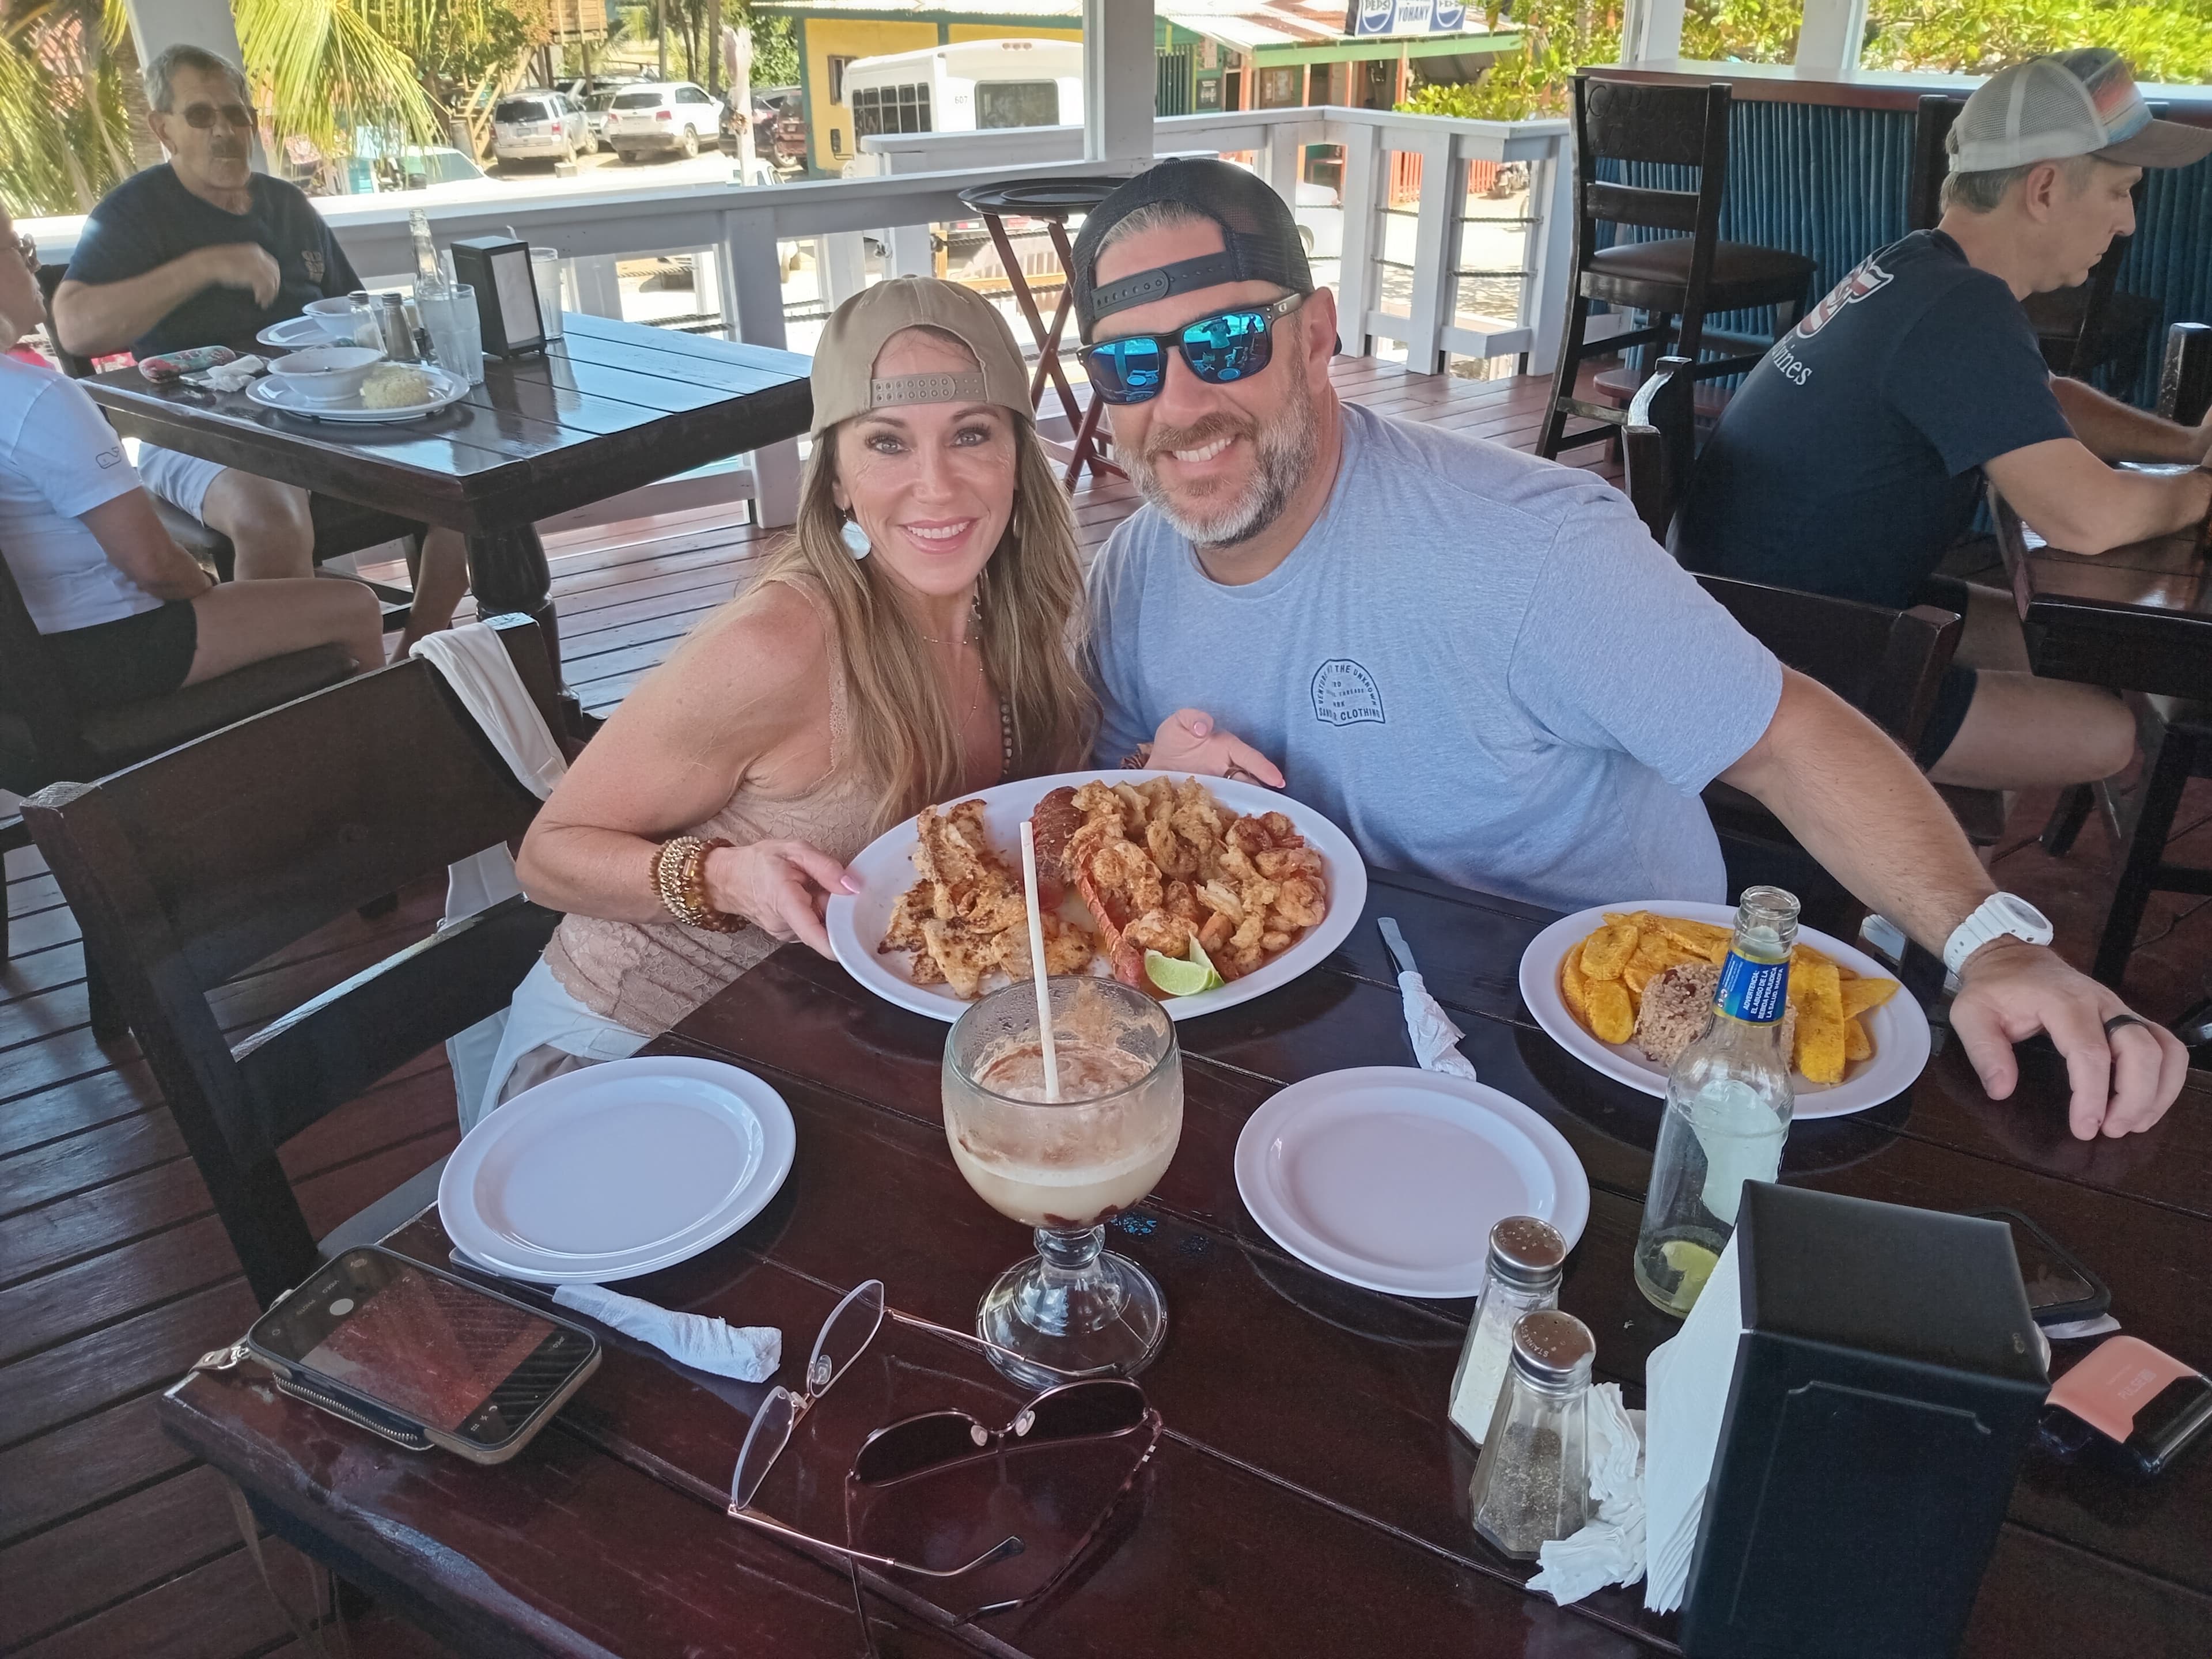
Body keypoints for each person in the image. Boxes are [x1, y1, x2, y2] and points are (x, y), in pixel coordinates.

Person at [1067, 157, 2187, 1138]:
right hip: (1304, 1033)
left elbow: (1789, 737)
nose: (1179, 402)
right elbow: (1108, 818)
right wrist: (1145, 783)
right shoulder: (1130, 579)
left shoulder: (1528, 547)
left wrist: (1993, 943)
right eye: (1129, 368)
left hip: (1600, 1057)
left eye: (1220, 342)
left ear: (1315, 336)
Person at [487, 278, 1096, 1124]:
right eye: (888, 443)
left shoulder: (1023, 619)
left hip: (822, 1047)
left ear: (1018, 459)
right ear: (839, 480)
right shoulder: (782, 642)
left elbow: (1033, 836)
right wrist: (726, 877)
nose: (936, 485)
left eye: (971, 434)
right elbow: (547, 857)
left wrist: (1154, 776)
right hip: (625, 1055)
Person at [1674, 51, 2212, 793]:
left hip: (1757, 613)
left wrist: (2186, 445)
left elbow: (2040, 394)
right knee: (2108, 731)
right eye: (2122, 192)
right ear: (2046, 188)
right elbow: (2085, 519)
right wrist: (2203, 488)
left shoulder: (1921, 269)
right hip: (1780, 667)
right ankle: (1889, 835)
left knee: (2065, 645)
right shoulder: (1960, 308)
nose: (2126, 224)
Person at [48, 44, 468, 646]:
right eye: (200, 116)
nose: (223, 131)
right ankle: (293, 705)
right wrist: (206, 266)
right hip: (196, 432)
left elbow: (358, 316)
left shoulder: (287, 206)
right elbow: (76, 327)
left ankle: (420, 661)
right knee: (271, 518)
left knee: (466, 480)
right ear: (162, 128)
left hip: (320, 414)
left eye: (235, 114)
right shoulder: (135, 213)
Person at [0, 209, 383, 726]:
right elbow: (155, 566)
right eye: (18, 248)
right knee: (353, 606)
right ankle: (360, 775)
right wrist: (213, 594)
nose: (31, 263)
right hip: (105, 646)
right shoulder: (36, 398)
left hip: (23, 665)